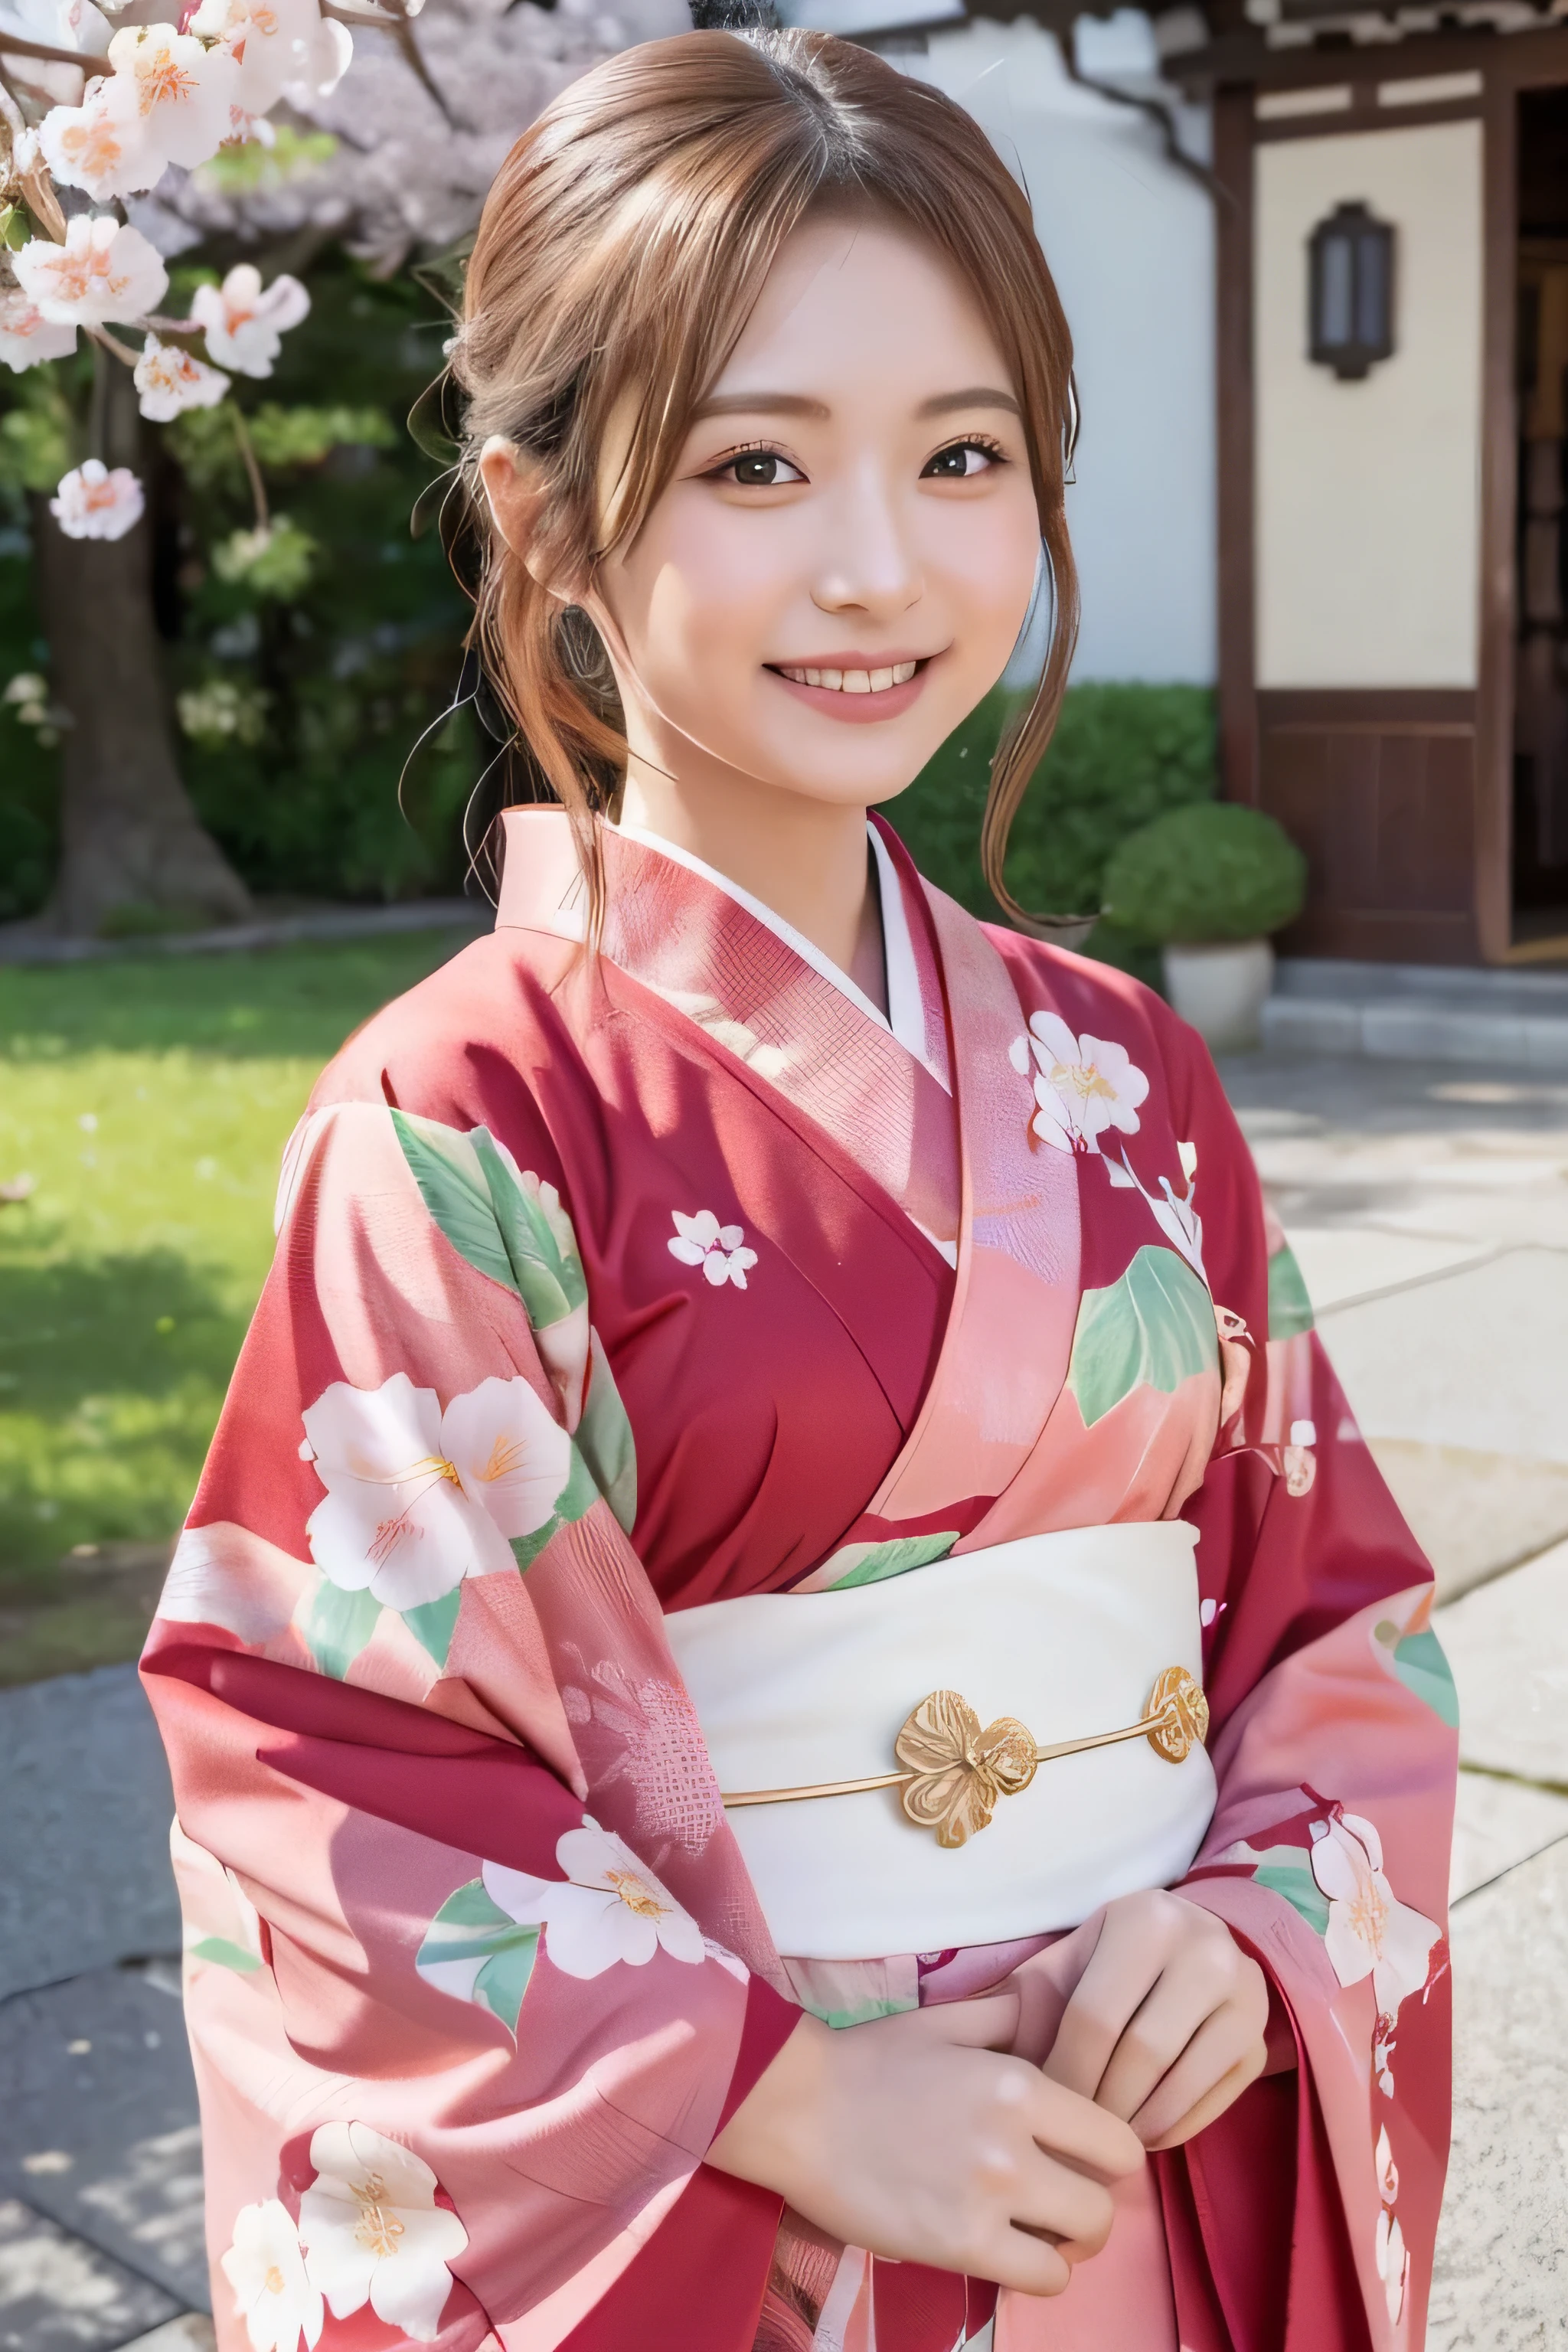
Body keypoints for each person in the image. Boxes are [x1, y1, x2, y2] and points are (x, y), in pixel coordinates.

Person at [142, 29, 1455, 2352]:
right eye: (756, 461)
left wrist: (1256, 1924)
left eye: (963, 458)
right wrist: (771, 2098)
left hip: (1136, 2152)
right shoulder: (460, 1119)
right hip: (759, 2217)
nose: (880, 568)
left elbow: (1330, 1616)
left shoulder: (1125, 1068)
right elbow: (318, 1758)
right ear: (544, 523)